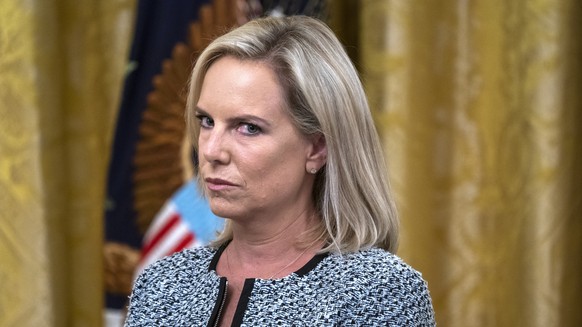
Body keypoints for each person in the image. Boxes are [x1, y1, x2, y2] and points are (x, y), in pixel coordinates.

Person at [124, 15, 436, 326]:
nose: (210, 151)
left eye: (247, 127)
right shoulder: (159, 287)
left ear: (317, 147)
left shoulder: (378, 293)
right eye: (207, 121)